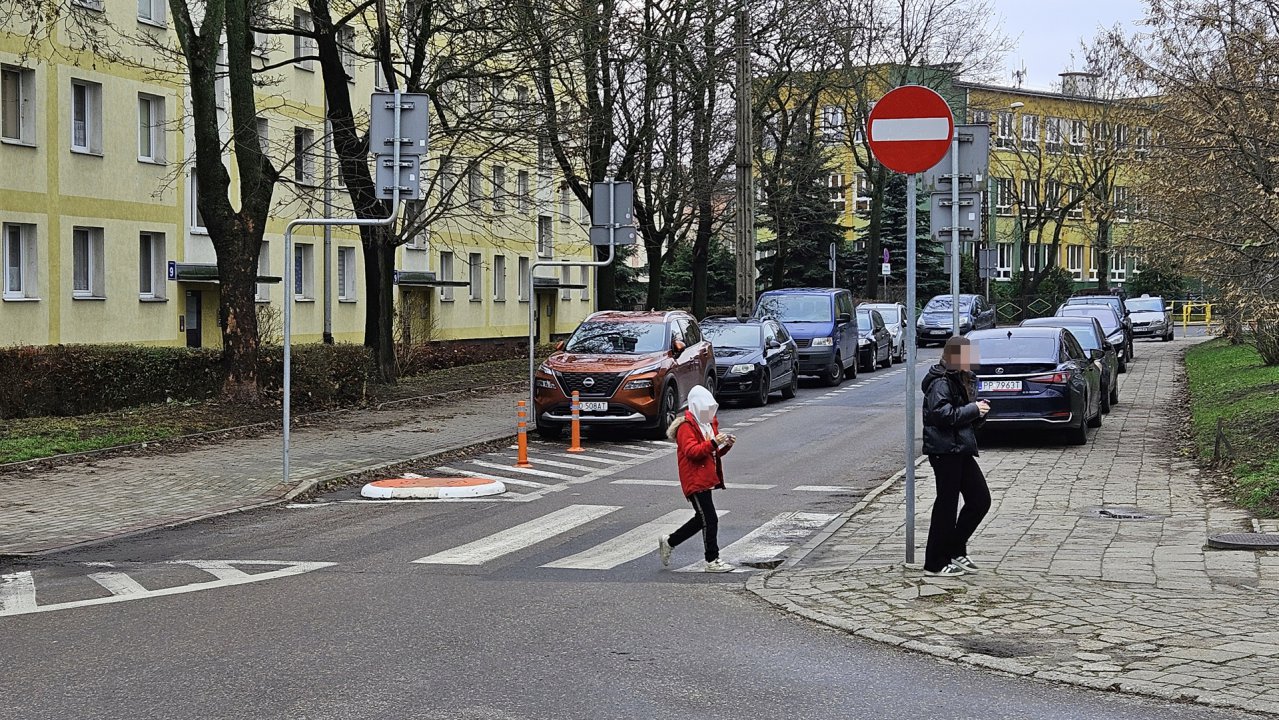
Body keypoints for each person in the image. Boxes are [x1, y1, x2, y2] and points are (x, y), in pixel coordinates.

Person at [920, 335, 992, 577]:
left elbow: (962, 419)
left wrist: (979, 413)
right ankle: (934, 562)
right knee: (946, 506)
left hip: (960, 448)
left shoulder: (963, 378)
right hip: (943, 450)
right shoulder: (941, 381)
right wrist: (973, 410)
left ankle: (954, 548)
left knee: (980, 499)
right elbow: (940, 415)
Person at [658, 385, 736, 573]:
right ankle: (712, 559)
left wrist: (724, 446)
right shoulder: (686, 427)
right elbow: (692, 452)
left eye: (711, 409)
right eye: (706, 409)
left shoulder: (707, 424)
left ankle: (670, 541)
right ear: (695, 406)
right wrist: (714, 442)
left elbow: (713, 453)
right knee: (710, 519)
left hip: (705, 478)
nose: (709, 413)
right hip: (694, 479)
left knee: (702, 519)